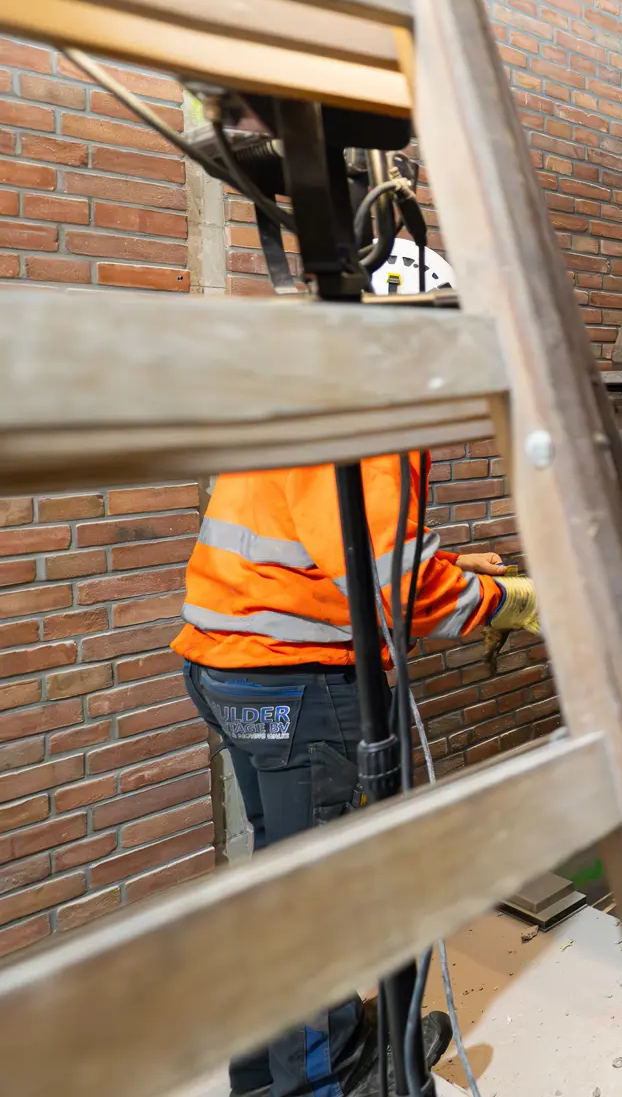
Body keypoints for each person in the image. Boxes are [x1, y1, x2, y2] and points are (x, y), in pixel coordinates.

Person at [173, 452, 539, 1097]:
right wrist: (507, 603)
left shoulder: (316, 391)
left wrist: (450, 567)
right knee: (318, 899)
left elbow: (333, 540)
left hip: (232, 670)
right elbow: (400, 591)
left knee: (286, 883)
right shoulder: (377, 417)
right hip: (296, 682)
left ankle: (266, 1076)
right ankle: (327, 1082)